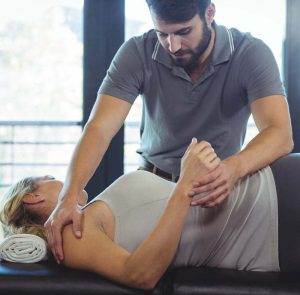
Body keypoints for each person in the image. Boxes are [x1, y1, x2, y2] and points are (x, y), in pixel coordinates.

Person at [45, 0, 293, 263]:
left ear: (209, 13)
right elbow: (99, 129)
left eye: (184, 32)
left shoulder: (250, 52)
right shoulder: (137, 52)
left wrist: (233, 168)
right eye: (163, 33)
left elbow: (280, 134)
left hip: (216, 191)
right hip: (152, 184)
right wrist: (69, 197)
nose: (173, 46)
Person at [0, 140, 279, 290]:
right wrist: (185, 185)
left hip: (264, 188)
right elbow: (140, 275)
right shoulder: (69, 235)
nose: (60, 181)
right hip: (269, 221)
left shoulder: (88, 214)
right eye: (49, 178)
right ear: (32, 197)